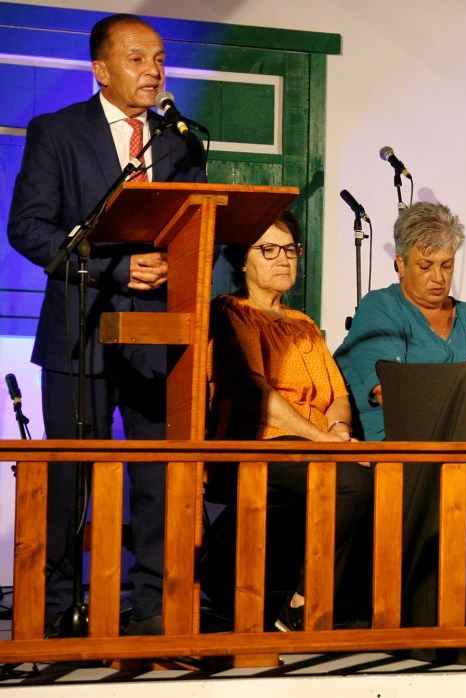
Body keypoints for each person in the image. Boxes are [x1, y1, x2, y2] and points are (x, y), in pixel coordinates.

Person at [5, 13, 207, 636]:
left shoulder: (178, 141)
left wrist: (179, 263)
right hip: (79, 328)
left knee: (156, 474)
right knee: (69, 476)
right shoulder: (58, 133)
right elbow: (29, 228)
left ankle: (152, 607)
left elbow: (195, 224)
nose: (153, 70)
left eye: (159, 59)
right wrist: (115, 270)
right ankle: (58, 610)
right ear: (102, 68)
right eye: (138, 58)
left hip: (159, 333)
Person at [207, 211, 372, 631]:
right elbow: (256, 395)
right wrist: (323, 439)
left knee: (389, 472)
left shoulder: (304, 323)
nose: (283, 260)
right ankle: (305, 605)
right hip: (261, 442)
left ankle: (362, 607)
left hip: (314, 443)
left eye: (291, 250)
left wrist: (338, 431)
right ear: (242, 260)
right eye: (268, 250)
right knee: (350, 482)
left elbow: (336, 394)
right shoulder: (232, 312)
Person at [333, 202, 466, 440]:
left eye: (446, 265)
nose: (438, 277)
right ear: (400, 263)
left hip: (465, 444)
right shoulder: (380, 308)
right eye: (426, 266)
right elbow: (392, 393)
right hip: (397, 450)